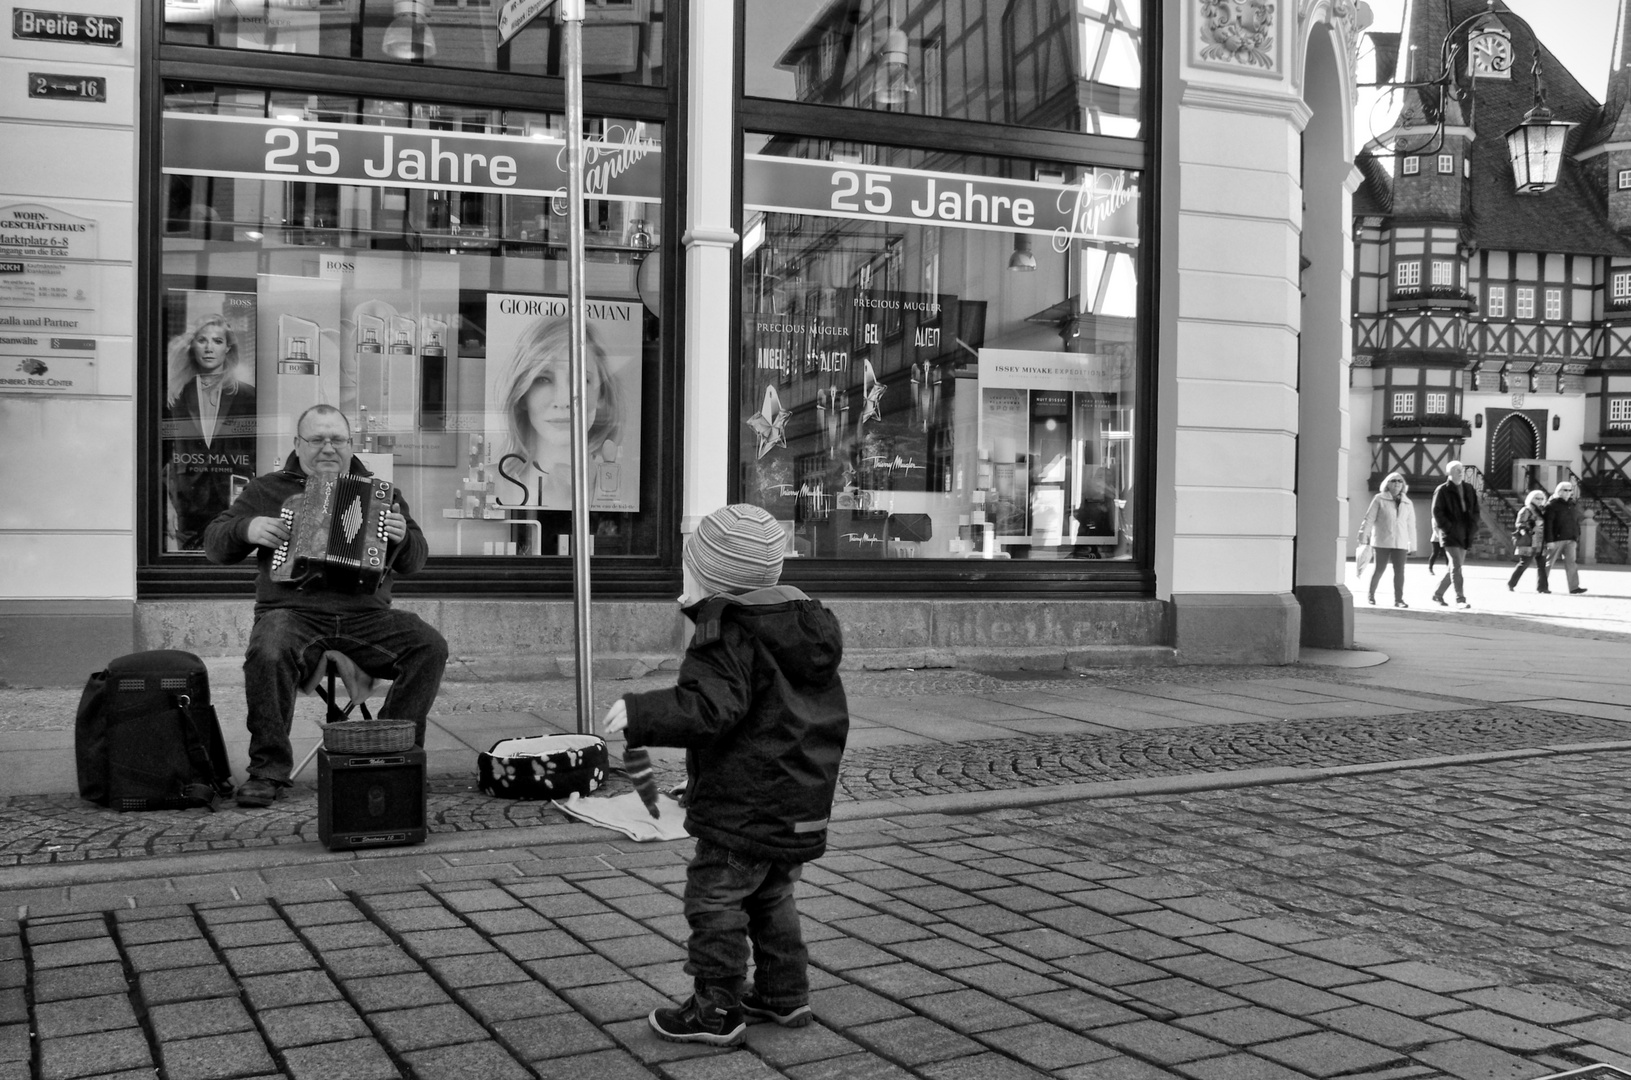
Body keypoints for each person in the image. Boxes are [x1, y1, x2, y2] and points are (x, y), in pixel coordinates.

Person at [603, 504, 848, 1047]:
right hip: (799, 799)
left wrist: (642, 713)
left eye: (691, 563)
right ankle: (785, 997)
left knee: (714, 899)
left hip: (745, 805)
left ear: (709, 574)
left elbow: (709, 708)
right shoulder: (803, 623)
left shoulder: (727, 632)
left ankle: (715, 1010)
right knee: (772, 896)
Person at [202, 404, 448, 808]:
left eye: (337, 439)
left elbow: (415, 561)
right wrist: (247, 528)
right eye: (316, 439)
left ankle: (387, 749)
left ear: (351, 445)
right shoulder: (267, 490)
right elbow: (214, 544)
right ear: (297, 444)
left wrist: (403, 537)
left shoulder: (382, 494)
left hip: (368, 617)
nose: (327, 448)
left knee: (429, 645)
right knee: (268, 649)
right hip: (292, 614)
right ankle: (268, 770)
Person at [494, 317, 623, 510]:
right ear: (521, 395)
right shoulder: (490, 484)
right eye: (543, 379)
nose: (563, 401)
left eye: (580, 380)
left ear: (602, 394)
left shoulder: (616, 488)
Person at [163, 315, 258, 550]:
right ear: (192, 346)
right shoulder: (174, 395)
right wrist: (164, 505)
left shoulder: (248, 396)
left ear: (228, 348)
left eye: (217, 341)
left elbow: (257, 453)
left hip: (234, 502)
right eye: (201, 340)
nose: (208, 348)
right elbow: (162, 455)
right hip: (187, 504)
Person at [1359, 471, 1415, 608]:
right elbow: (1369, 518)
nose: (1397, 483)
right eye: (1394, 481)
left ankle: (1399, 599)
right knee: (1379, 568)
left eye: (1400, 481)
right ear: (1387, 484)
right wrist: (1363, 535)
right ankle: (1371, 595)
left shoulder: (1407, 502)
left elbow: (1411, 525)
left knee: (1400, 571)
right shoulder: (1379, 499)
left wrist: (1412, 545)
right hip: (1382, 540)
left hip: (1400, 541)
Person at [1430, 460, 1479, 609]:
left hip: (1465, 532)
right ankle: (1460, 599)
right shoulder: (1442, 490)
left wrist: (1473, 525)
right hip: (1450, 534)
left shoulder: (1469, 488)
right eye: (1456, 469)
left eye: (1461, 469)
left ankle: (1438, 594)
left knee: (1454, 567)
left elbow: (1476, 509)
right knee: (1456, 566)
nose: (1460, 471)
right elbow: (1437, 511)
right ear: (1449, 473)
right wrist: (1448, 527)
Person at [1543, 479, 1586, 594]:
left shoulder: (1572, 504)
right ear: (1559, 491)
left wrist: (1577, 534)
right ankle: (1542, 585)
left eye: (1570, 490)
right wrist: (1549, 540)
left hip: (1571, 538)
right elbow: (1548, 523)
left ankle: (1574, 587)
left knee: (1572, 563)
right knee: (1549, 563)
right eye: (1565, 490)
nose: (1568, 492)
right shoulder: (1552, 505)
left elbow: (1575, 520)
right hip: (1556, 539)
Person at [1507, 488, 1550, 593]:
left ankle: (1542, 587)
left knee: (1542, 565)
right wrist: (1532, 526)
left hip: (1540, 541)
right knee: (1524, 563)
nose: (1539, 500)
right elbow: (1520, 524)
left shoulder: (1541, 511)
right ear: (1531, 498)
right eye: (1537, 498)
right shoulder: (1526, 510)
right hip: (1529, 540)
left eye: (1541, 498)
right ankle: (1511, 583)